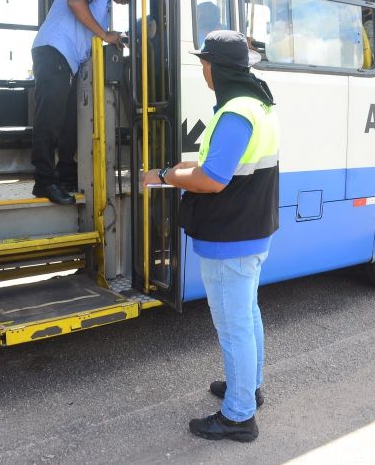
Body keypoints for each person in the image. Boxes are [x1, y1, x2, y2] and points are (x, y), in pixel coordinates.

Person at [144, 30, 280, 442]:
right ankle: (248, 389)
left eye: (205, 62)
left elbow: (213, 179)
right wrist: (182, 168)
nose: (202, 69)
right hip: (251, 231)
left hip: (230, 238)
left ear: (217, 68)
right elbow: (220, 164)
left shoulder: (235, 113)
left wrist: (165, 176)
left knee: (233, 325)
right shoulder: (257, 104)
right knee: (247, 315)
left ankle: (239, 417)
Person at [30, 0, 135, 205]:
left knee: (70, 121)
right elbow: (75, 1)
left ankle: (66, 173)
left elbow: (90, 32)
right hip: (55, 50)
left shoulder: (105, 1)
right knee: (50, 117)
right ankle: (44, 180)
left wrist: (111, 39)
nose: (130, 0)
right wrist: (105, 34)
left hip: (69, 61)